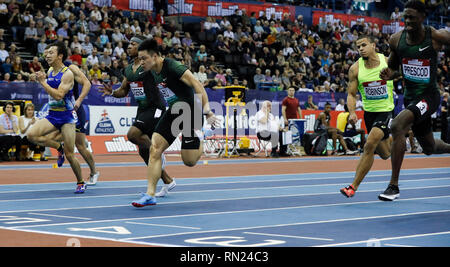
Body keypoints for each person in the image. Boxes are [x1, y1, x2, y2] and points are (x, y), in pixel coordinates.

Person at [131, 38, 219, 207]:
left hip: (189, 111)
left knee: (189, 161)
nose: (141, 62)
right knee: (154, 149)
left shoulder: (173, 67)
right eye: (139, 59)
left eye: (144, 58)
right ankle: (150, 194)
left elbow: (197, 85)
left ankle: (201, 135)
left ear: (155, 56)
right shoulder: (151, 71)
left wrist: (207, 111)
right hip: (173, 110)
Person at [378, 0, 450, 201]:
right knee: (429, 148)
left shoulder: (435, 36)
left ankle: (393, 186)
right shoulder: (396, 40)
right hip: (410, 99)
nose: (407, 21)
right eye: (405, 17)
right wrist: (388, 74)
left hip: (429, 97)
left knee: (398, 125)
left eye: (412, 17)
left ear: (422, 18)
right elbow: (393, 70)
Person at [100, 36, 175, 197]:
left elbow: (161, 66)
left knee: (133, 135)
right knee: (143, 152)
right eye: (129, 44)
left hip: (155, 108)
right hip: (141, 110)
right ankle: (168, 181)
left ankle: (157, 152)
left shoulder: (148, 65)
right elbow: (123, 91)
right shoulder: (128, 69)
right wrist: (112, 92)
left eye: (133, 44)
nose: (129, 47)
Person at [26, 41, 86, 194]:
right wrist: (37, 76)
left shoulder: (68, 74)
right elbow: (46, 80)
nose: (47, 55)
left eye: (51, 52)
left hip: (67, 118)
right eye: (46, 53)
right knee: (32, 135)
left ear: (60, 56)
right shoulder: (51, 69)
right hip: (52, 115)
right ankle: (58, 147)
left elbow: (59, 95)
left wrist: (43, 83)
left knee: (70, 154)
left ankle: (80, 181)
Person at [340, 35, 395, 198]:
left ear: (373, 45)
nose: (361, 48)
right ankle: (394, 140)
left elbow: (401, 74)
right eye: (358, 47)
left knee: (369, 144)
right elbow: (351, 94)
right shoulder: (355, 69)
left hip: (386, 111)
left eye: (364, 45)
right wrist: (352, 112)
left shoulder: (387, 61)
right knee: (385, 154)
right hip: (369, 114)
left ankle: (352, 187)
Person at [281, 87, 302, 156]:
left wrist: (301, 119)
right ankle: (286, 150)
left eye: (293, 90)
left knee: (294, 135)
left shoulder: (296, 100)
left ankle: (293, 149)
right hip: (288, 120)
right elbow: (283, 110)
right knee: (287, 135)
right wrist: (285, 119)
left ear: (294, 91)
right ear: (287, 91)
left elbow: (299, 109)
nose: (291, 92)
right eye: (290, 90)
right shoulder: (286, 100)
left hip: (294, 120)